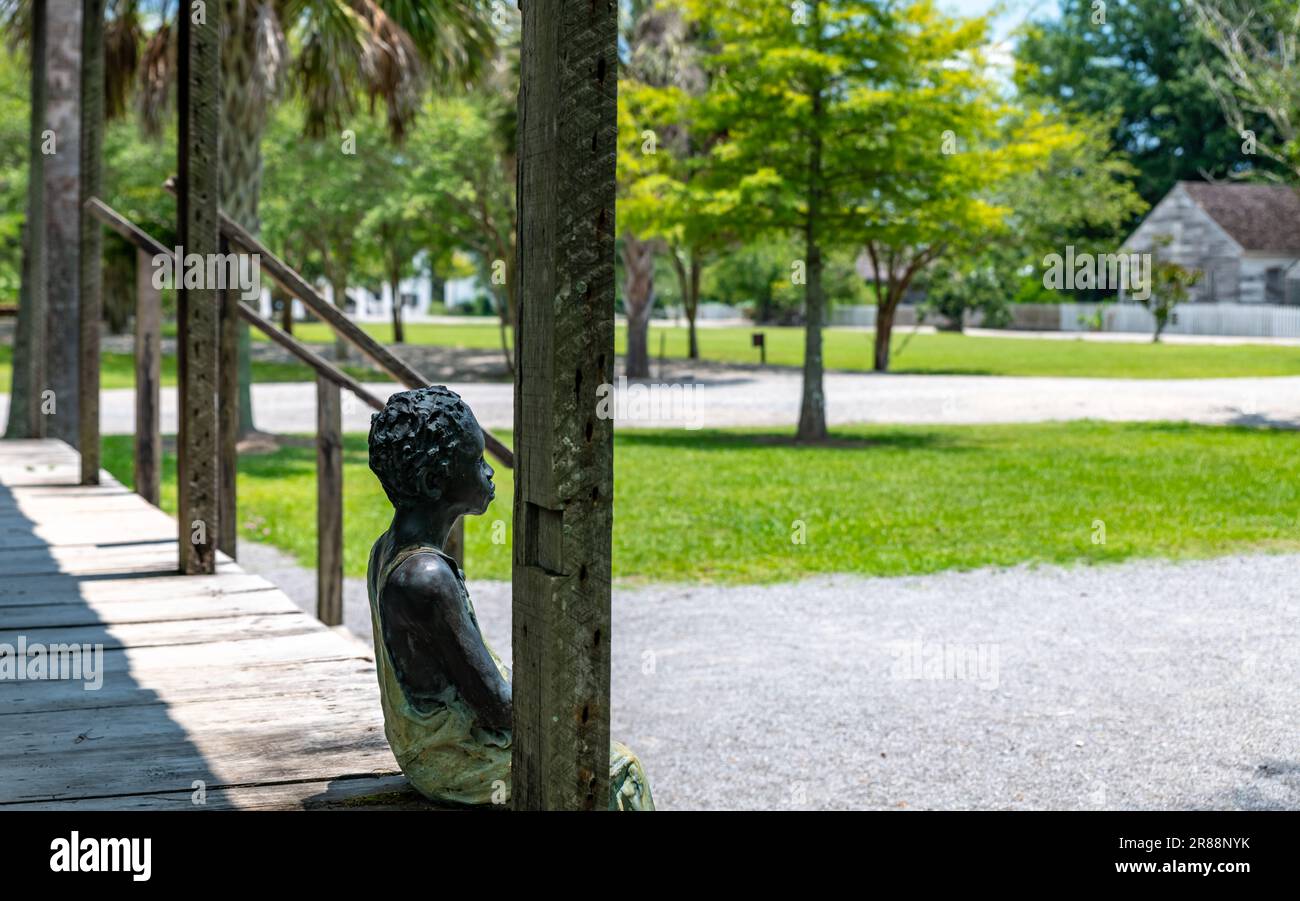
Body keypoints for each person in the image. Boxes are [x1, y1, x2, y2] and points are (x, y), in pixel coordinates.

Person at [366, 386, 653, 809]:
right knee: (618, 768)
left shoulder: (386, 550)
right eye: (476, 461)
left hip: (424, 747)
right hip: (451, 762)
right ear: (433, 482)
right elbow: (500, 710)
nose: (489, 472)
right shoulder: (425, 579)